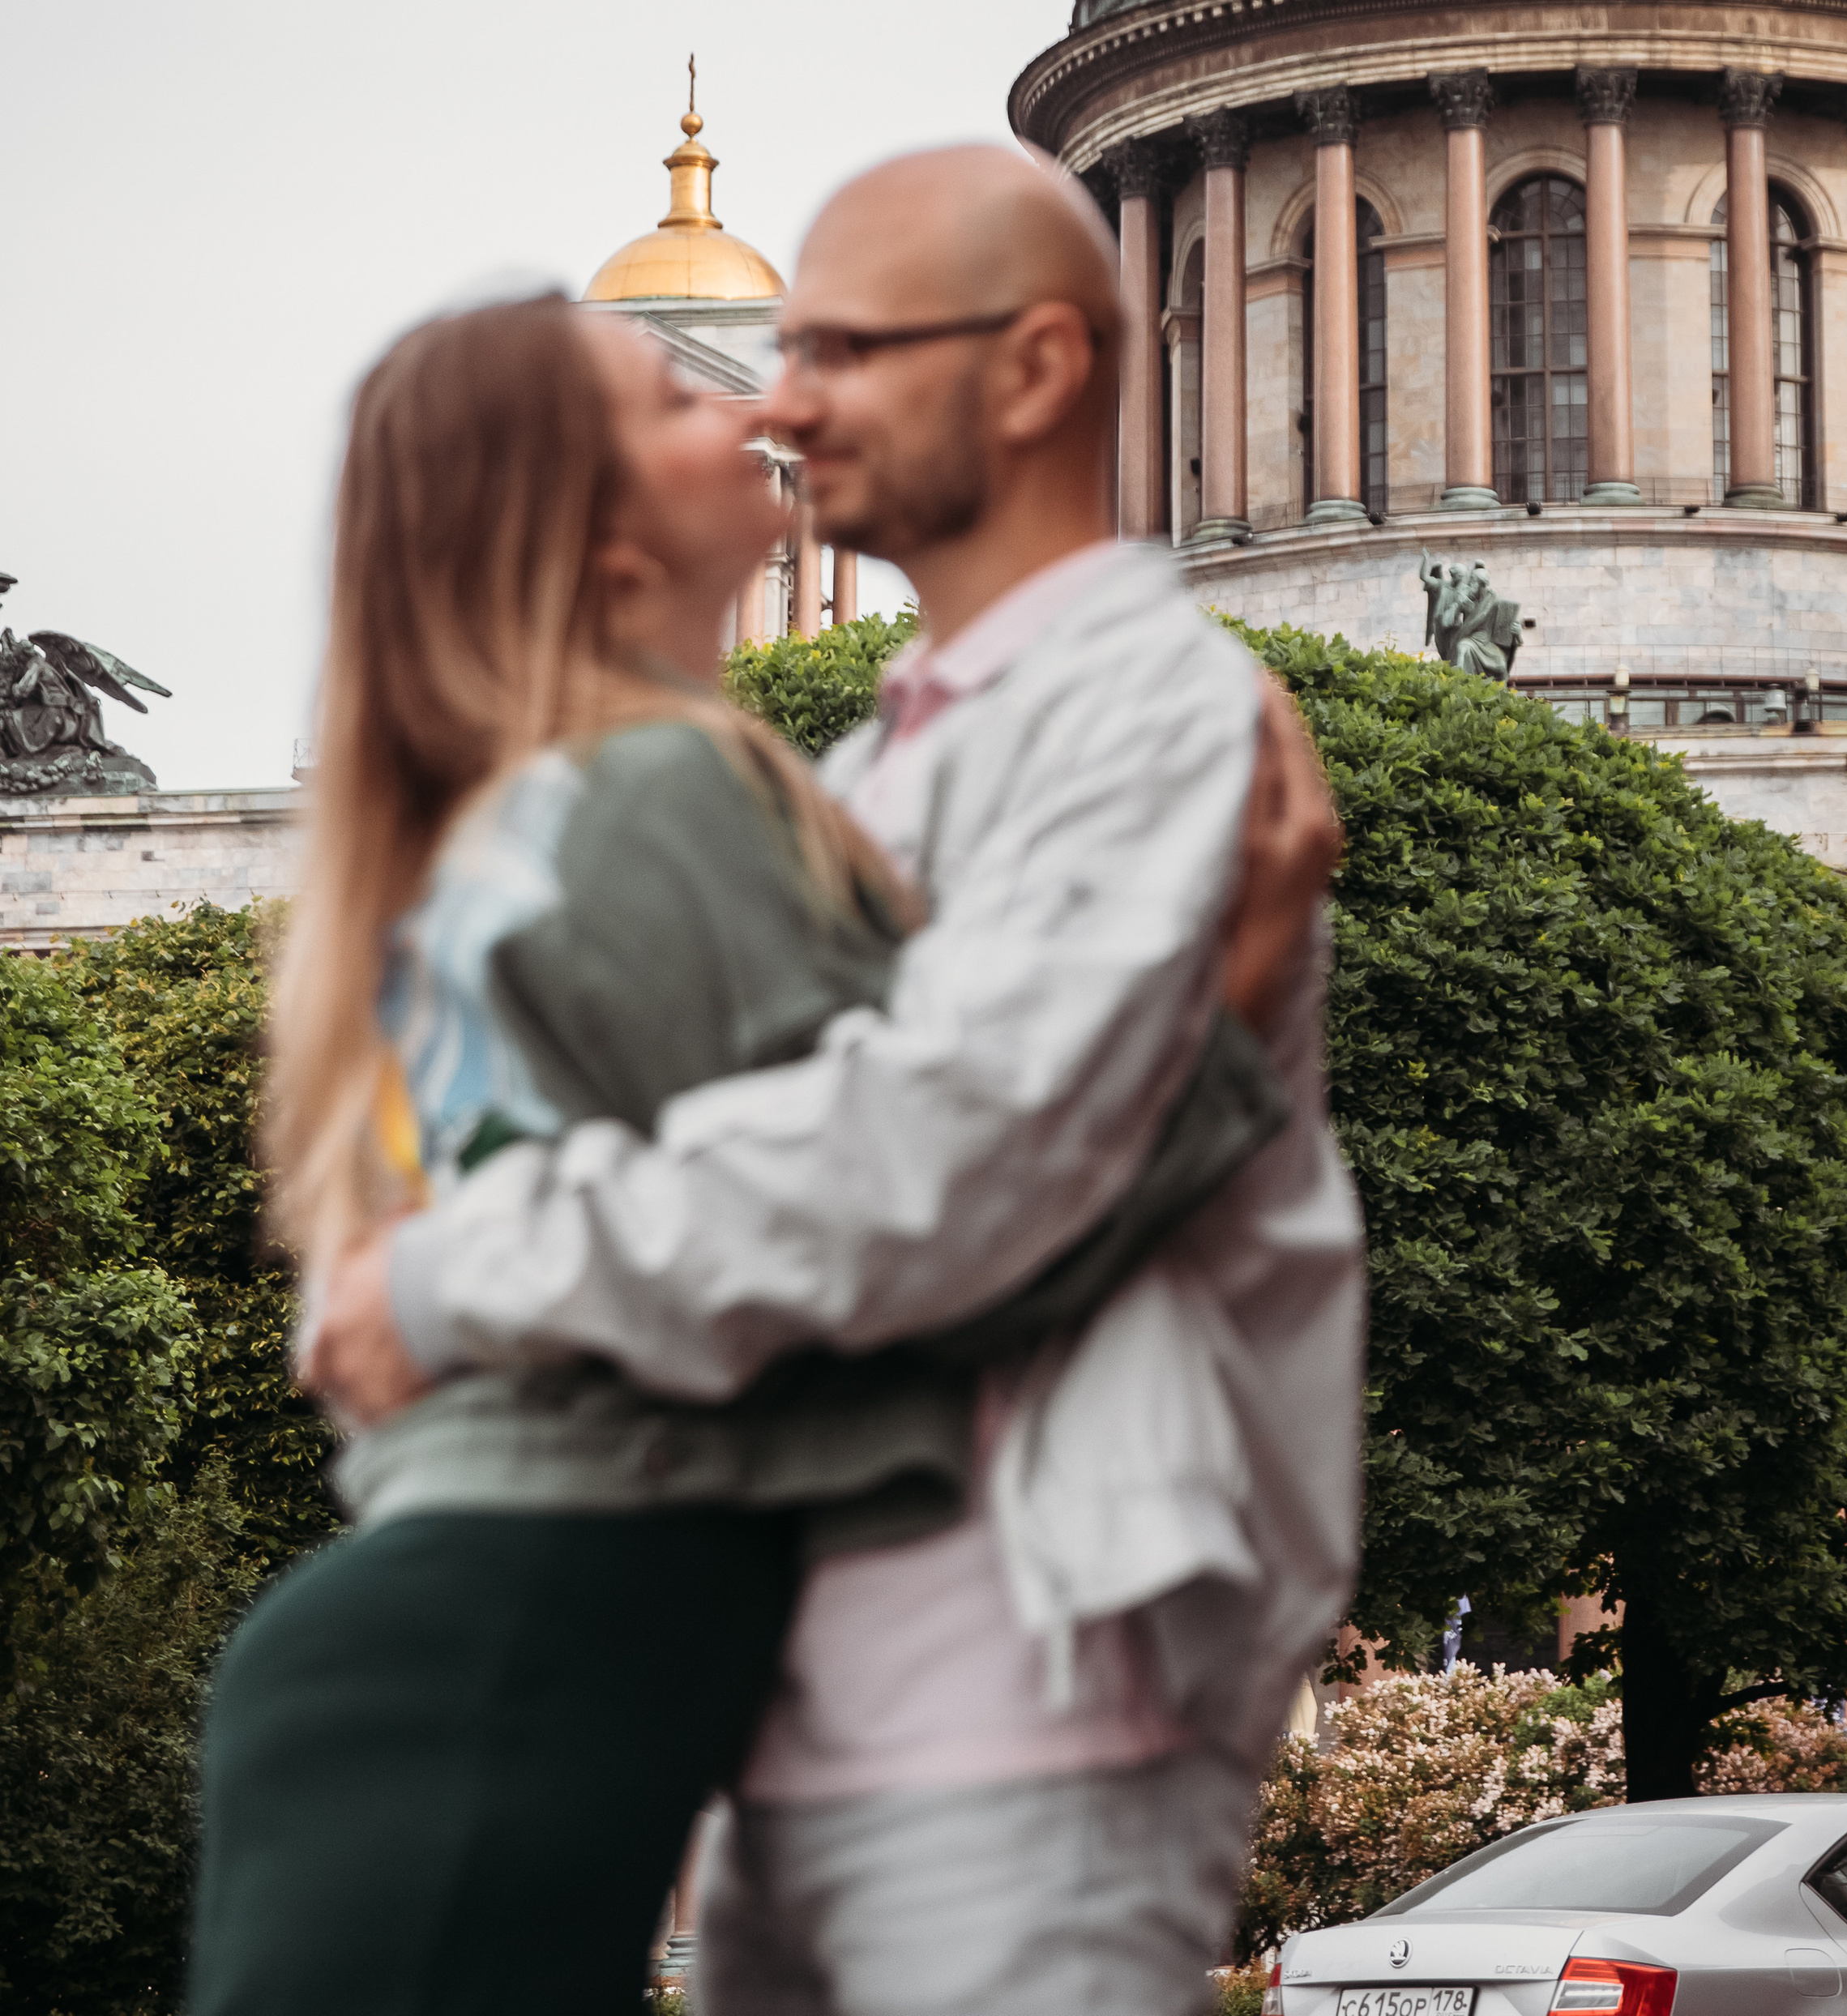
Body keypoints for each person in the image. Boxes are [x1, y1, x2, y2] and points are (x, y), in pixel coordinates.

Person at [310, 146, 1366, 2016]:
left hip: (1028, 1672)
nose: (777, 406)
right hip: (811, 1687)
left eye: (842, 351)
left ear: (1032, 370)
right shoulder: (860, 766)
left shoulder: (1148, 708)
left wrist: (458, 1275)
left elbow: (936, 1155)